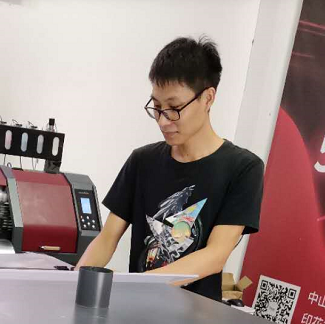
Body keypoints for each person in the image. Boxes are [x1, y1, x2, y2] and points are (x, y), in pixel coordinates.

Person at [76, 36, 264, 301]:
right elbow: (107, 239)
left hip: (194, 321)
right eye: (157, 107)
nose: (163, 121)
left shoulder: (243, 168)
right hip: (137, 314)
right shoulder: (142, 161)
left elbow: (215, 255)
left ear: (208, 98)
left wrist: (135, 286)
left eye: (174, 108)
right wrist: (74, 283)